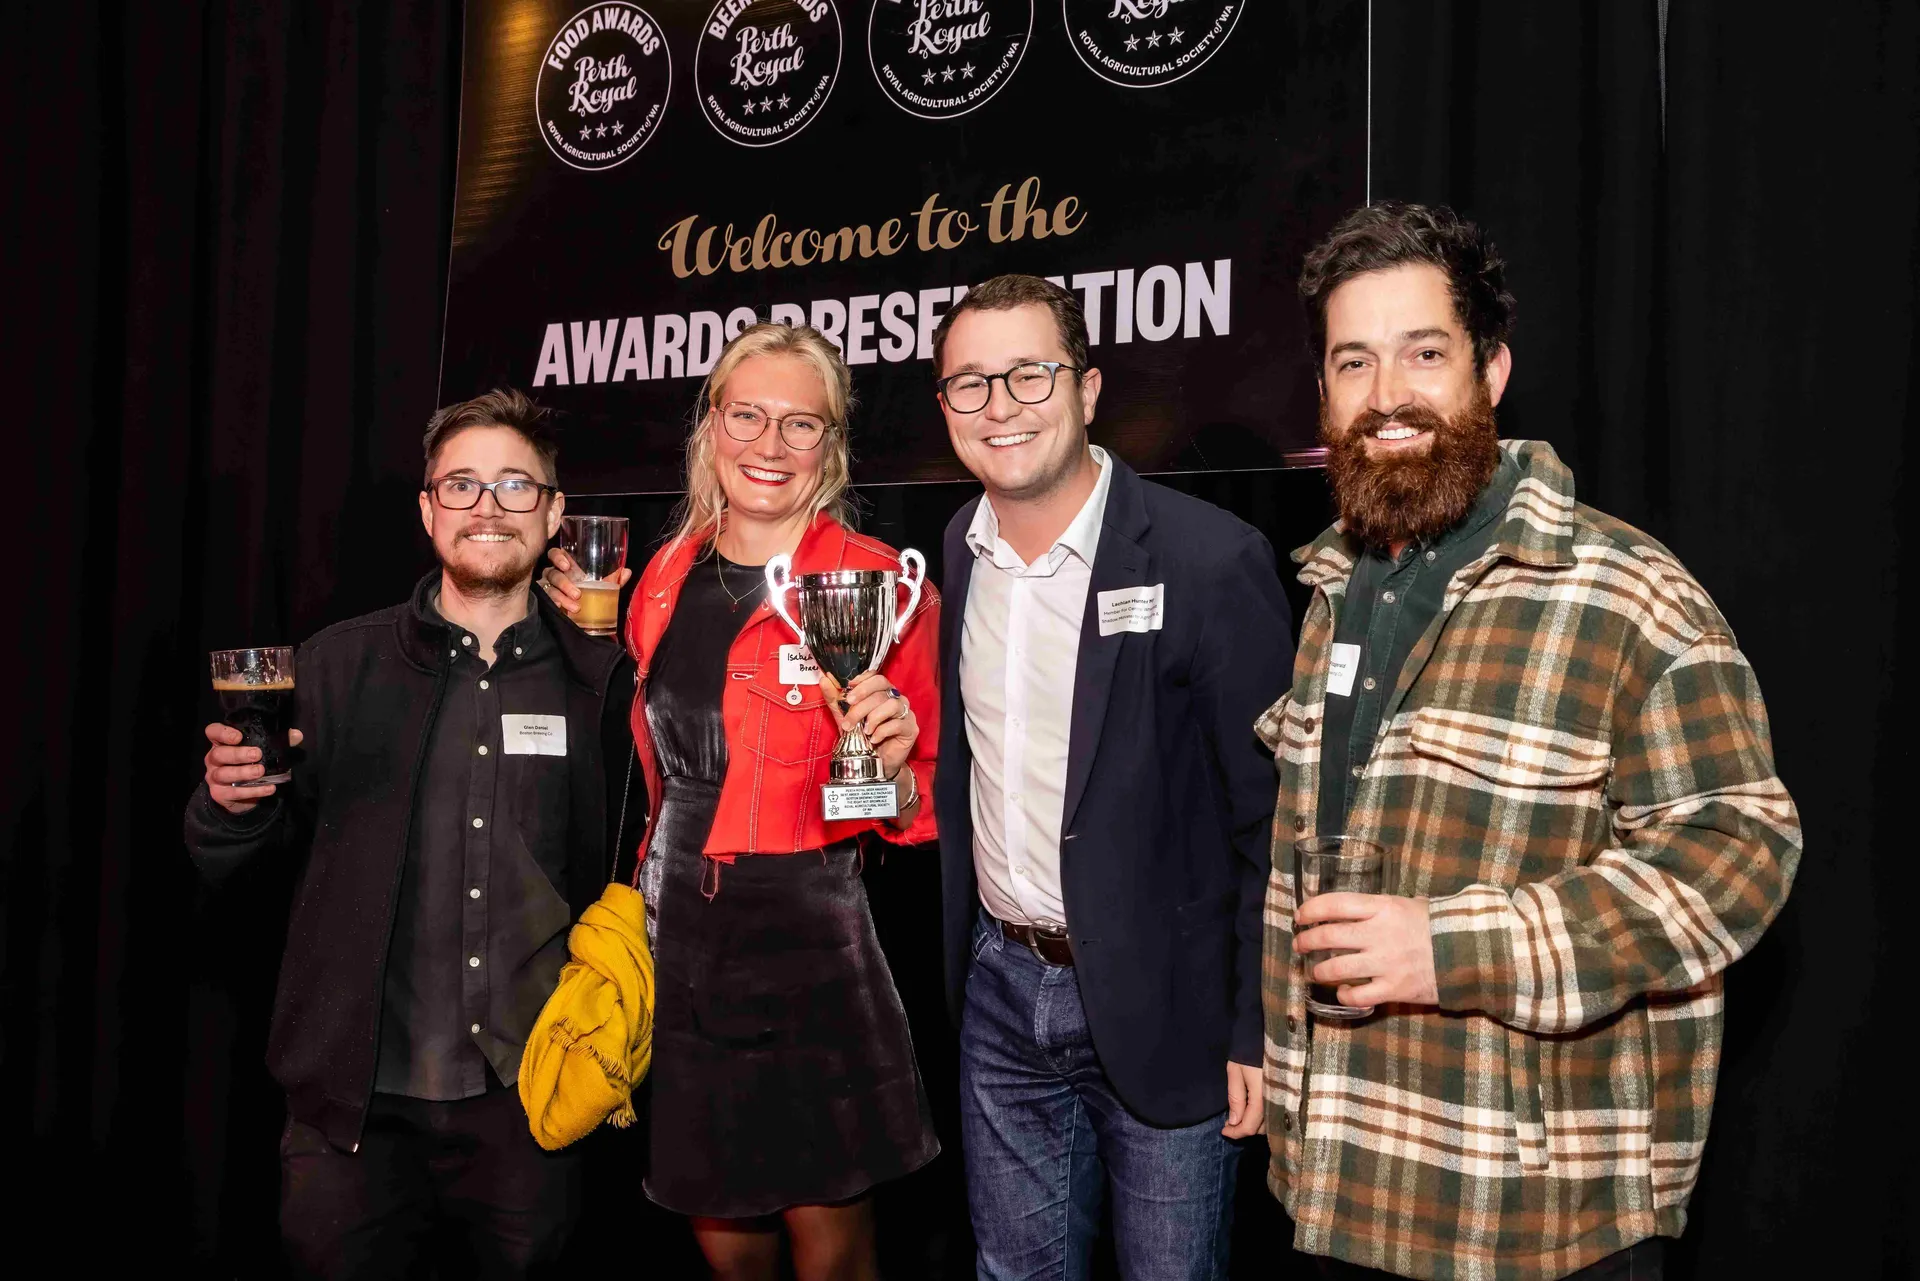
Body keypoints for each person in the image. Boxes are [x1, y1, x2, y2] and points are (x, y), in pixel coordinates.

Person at [1259, 202, 1803, 1280]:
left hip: (1528, 1221)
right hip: (1337, 1189)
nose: (1386, 397)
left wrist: (1453, 948)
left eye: (1424, 354)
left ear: (1492, 372)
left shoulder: (1628, 595)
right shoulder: (1330, 592)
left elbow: (1741, 852)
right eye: (1352, 362)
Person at [184, 390, 638, 1277]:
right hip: (352, 1119)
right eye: (461, 485)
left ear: (553, 514)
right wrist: (228, 809)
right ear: (428, 510)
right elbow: (240, 871)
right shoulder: (331, 665)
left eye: (514, 486)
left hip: (531, 1106)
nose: (486, 506)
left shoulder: (602, 687)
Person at [542, 322, 939, 1281]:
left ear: (832, 446)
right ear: (710, 426)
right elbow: (646, 755)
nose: (770, 445)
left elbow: (917, 809)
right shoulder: (660, 579)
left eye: (801, 425)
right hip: (683, 939)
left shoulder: (883, 586)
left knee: (834, 1251)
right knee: (721, 1239)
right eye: (747, 415)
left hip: (814, 938)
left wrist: (888, 755)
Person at [926, 274, 1295, 1280]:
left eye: (1029, 375)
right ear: (943, 406)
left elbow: (1271, 824)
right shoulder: (955, 555)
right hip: (999, 991)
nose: (999, 405)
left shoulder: (1209, 561)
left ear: (1089, 388)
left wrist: (1256, 1027)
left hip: (1167, 1004)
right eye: (970, 383)